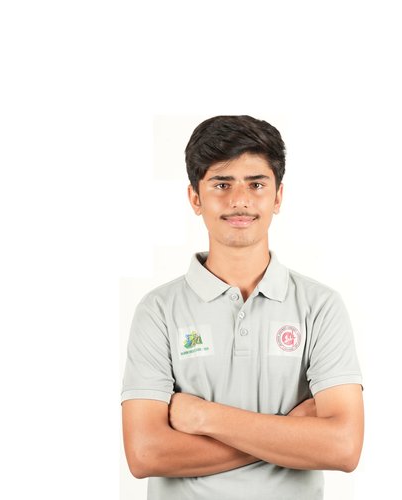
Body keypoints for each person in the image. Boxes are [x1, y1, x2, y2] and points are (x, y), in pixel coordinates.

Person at [121, 115, 364, 500]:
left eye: (256, 184)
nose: (239, 200)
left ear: (278, 197)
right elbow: (145, 453)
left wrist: (204, 417)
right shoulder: (158, 311)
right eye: (222, 184)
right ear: (195, 198)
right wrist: (289, 432)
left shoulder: (320, 307)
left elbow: (344, 447)